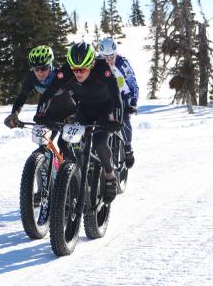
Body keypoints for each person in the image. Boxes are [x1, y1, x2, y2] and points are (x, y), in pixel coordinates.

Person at [34, 42, 122, 203]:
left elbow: (116, 95)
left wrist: (116, 119)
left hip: (104, 109)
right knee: (67, 142)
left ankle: (109, 174)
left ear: (92, 64)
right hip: (83, 110)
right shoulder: (67, 70)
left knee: (100, 143)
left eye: (82, 69)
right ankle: (73, 176)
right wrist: (40, 114)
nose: (77, 73)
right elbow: (48, 93)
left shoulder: (103, 69)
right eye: (74, 69)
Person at [4, 45, 76, 156]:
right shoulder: (31, 77)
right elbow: (22, 96)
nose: (40, 72)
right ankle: (45, 166)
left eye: (44, 68)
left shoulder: (61, 76)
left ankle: (75, 169)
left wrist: (75, 115)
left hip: (69, 114)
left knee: (63, 145)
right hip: (49, 114)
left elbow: (78, 95)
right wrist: (14, 114)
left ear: (51, 65)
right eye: (36, 69)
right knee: (43, 144)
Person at [97, 37, 139, 168]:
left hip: (123, 97)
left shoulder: (122, 64)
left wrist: (133, 103)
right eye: (105, 57)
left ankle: (127, 147)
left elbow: (133, 85)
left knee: (124, 118)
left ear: (116, 53)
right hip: (105, 97)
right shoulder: (96, 64)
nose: (108, 60)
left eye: (111, 56)